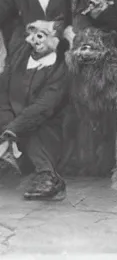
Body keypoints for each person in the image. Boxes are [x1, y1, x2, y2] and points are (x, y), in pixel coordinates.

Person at [0, 20, 71, 201]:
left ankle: (46, 175)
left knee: (38, 132)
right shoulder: (18, 60)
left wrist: (13, 129)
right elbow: (3, 93)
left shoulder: (60, 69)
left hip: (43, 122)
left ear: (56, 40)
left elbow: (45, 106)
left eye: (43, 35)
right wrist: (7, 124)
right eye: (33, 35)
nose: (36, 40)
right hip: (10, 120)